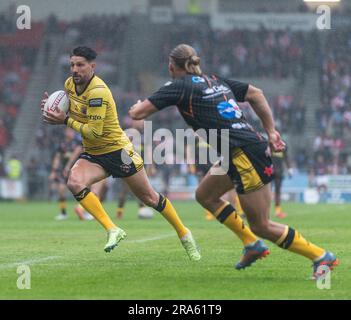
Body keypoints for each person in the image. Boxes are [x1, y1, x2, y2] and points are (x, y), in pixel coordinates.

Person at [128, 44, 338, 278]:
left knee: (262, 225)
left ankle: (320, 257)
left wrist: (137, 106)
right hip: (241, 150)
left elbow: (137, 114)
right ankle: (252, 244)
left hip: (243, 153)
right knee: (205, 195)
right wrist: (271, 131)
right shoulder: (215, 80)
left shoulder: (179, 86)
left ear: (171, 67)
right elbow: (255, 93)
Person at [41, 46, 201, 261]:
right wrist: (55, 110)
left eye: (80, 65)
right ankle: (112, 229)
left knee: (150, 198)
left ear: (92, 66)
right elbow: (77, 112)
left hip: (118, 151)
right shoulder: (69, 85)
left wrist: (65, 120)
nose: (75, 69)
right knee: (74, 181)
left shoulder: (98, 92)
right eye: (72, 65)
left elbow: (95, 132)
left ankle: (184, 234)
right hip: (94, 153)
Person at [48, 127, 84, 220]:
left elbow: (75, 155)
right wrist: (54, 171)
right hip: (64, 170)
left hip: (77, 170)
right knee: (61, 189)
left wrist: (68, 166)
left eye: (72, 131)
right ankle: (63, 213)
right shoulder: (62, 144)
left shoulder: (77, 142)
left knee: (82, 191)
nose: (71, 132)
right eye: (69, 131)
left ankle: (84, 211)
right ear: (65, 132)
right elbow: (57, 157)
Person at [271, 147, 293, 218]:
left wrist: (289, 169)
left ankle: (278, 211)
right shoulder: (269, 143)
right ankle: (265, 212)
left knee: (278, 191)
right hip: (269, 171)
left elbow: (286, 157)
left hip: (279, 172)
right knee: (268, 192)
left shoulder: (282, 145)